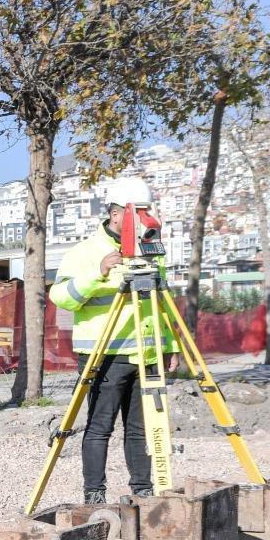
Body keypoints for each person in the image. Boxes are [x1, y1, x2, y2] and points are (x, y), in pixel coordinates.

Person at [50, 179, 180, 504]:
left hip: (146, 353)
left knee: (140, 429)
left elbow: (161, 304)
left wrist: (169, 345)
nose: (145, 219)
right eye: (138, 211)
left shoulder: (151, 250)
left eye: (147, 211)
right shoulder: (85, 251)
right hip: (104, 355)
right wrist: (99, 272)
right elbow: (61, 297)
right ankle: (94, 493)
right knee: (99, 427)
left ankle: (143, 491)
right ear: (116, 213)